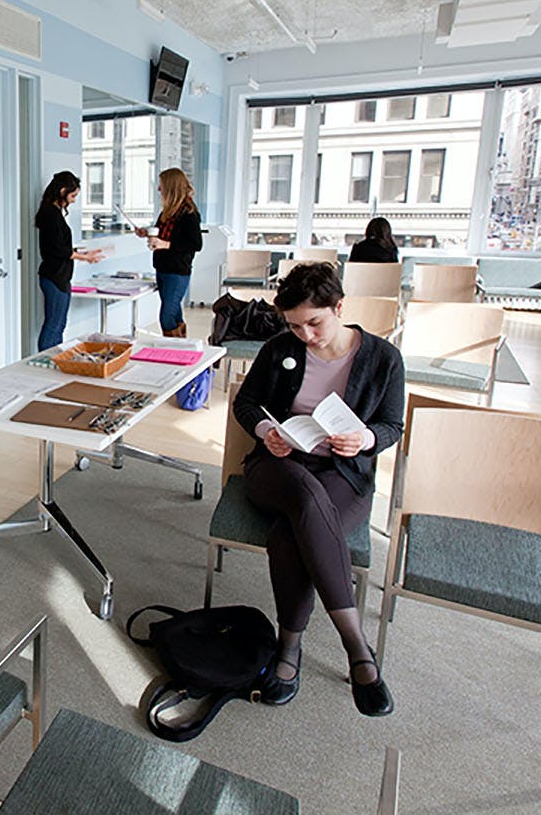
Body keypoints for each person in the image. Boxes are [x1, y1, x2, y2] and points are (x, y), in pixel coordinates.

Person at [231, 261, 403, 716]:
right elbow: (246, 402)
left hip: (343, 475)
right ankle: (356, 646)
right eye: (294, 325)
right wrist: (268, 428)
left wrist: (365, 438)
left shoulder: (383, 358)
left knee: (289, 535)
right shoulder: (279, 348)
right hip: (278, 465)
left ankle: (289, 649)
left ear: (339, 307)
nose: (305, 335)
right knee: (303, 497)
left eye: (315, 322)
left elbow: (392, 426)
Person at [35, 171, 104, 351]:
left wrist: (83, 253)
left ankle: (55, 358)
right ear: (62, 191)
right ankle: (46, 359)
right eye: (73, 195)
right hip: (54, 276)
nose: (73, 200)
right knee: (53, 325)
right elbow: (56, 249)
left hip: (60, 277)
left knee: (59, 324)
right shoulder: (50, 214)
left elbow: (59, 246)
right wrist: (84, 257)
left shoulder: (54, 212)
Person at [136, 167, 202, 336]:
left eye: (162, 185)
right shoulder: (167, 212)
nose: (159, 189)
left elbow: (195, 243)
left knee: (167, 316)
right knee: (174, 312)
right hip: (162, 269)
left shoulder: (189, 213)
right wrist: (146, 232)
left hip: (177, 272)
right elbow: (160, 232)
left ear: (171, 187)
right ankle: (181, 349)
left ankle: (172, 349)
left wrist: (165, 245)